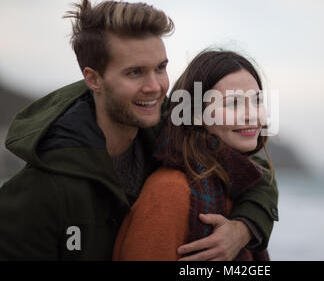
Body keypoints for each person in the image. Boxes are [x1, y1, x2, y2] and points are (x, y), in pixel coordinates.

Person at [0, 0, 278, 260]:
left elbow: (254, 173)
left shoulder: (171, 127)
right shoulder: (42, 191)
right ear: (94, 79)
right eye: (135, 72)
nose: (155, 87)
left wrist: (243, 229)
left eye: (160, 68)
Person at [113, 50, 275, 261]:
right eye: (233, 103)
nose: (251, 114)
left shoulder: (242, 184)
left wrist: (243, 229)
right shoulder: (171, 192)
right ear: (197, 114)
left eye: (256, 101)